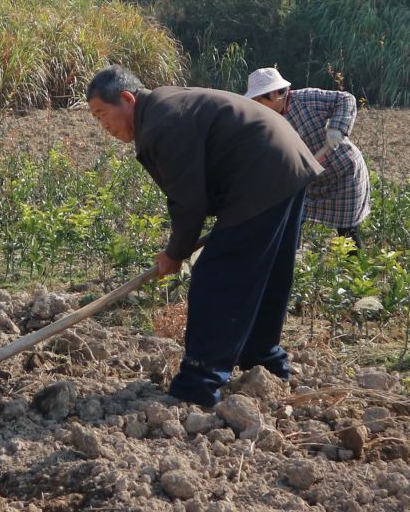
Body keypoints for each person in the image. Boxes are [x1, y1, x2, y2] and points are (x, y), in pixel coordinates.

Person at [86, 65, 321, 407]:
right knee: (267, 275)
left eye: (103, 114)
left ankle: (199, 382)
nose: (104, 126)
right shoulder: (165, 106)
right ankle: (265, 362)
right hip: (285, 161)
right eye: (97, 119)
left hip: (261, 171)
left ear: (126, 99)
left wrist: (175, 252)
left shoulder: (160, 125)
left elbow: (188, 200)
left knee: (217, 279)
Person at [244, 67, 372, 248]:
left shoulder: (306, 99)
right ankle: (289, 265)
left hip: (344, 173)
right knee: (290, 224)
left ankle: (355, 271)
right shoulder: (265, 119)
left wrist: (337, 127)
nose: (256, 105)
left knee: (347, 232)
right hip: (309, 178)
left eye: (258, 100)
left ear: (273, 95)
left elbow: (346, 99)